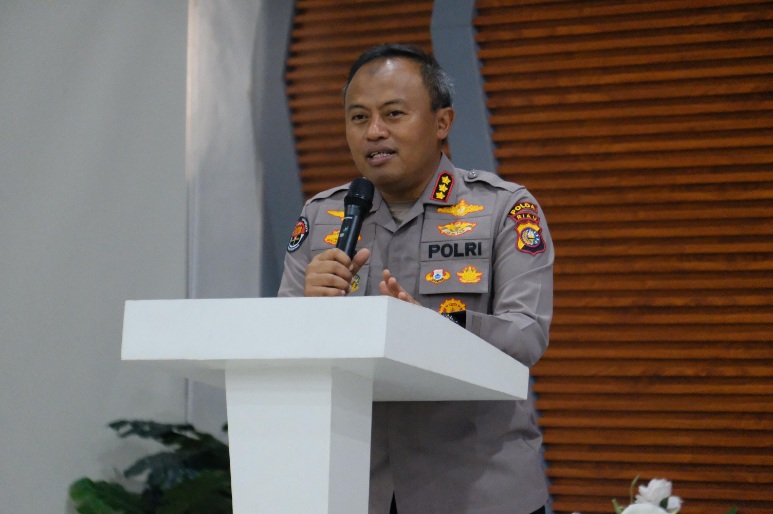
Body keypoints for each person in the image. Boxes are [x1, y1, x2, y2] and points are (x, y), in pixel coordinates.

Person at [278, 44, 553, 514]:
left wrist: (432, 328)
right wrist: (308, 310)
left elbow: (526, 335)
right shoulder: (322, 215)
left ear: (442, 122)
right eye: (359, 117)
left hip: (476, 488)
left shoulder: (503, 209)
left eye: (393, 114)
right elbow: (280, 345)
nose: (374, 132)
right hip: (355, 486)